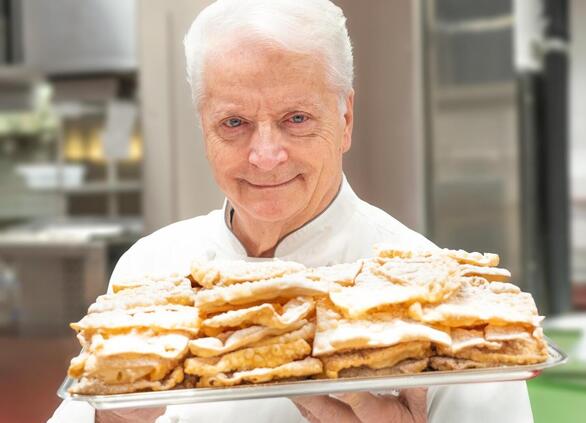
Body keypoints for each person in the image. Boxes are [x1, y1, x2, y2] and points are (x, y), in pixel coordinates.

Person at [48, 0, 534, 422]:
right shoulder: (147, 271)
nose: (265, 154)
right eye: (233, 122)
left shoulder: (456, 310)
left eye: (296, 119)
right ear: (203, 127)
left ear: (345, 119)